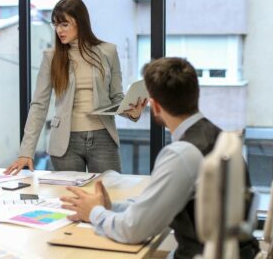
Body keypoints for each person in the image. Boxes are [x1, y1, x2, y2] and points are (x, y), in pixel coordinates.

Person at [60, 57, 259, 259]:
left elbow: (133, 230)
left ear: (154, 107)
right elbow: (154, 208)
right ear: (195, 94)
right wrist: (110, 207)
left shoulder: (182, 154)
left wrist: (94, 212)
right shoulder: (218, 136)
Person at [5, 0, 146, 175]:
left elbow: (116, 97)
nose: (59, 30)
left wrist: (131, 112)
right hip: (65, 142)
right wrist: (26, 152)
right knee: (70, 198)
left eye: (64, 24)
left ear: (80, 22)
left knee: (109, 194)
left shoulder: (108, 51)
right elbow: (39, 105)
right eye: (55, 24)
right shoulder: (51, 57)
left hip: (103, 137)